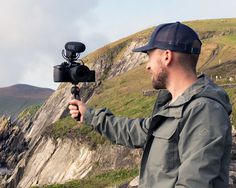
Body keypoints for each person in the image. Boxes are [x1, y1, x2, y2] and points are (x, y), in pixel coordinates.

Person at [68, 22, 232, 188]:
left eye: (149, 57)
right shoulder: (174, 105)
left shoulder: (204, 110)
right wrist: (89, 115)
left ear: (167, 56)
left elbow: (194, 183)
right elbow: (134, 131)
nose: (147, 66)